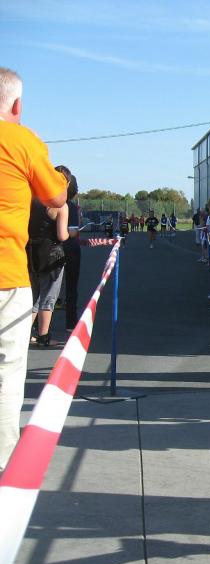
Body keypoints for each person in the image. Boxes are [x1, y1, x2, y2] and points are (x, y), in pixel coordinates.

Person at [0, 67, 67, 472]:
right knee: (7, 373)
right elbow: (56, 195)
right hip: (6, 276)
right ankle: (4, 463)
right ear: (17, 105)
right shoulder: (21, 140)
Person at [28, 197, 69, 346]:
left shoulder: (31, 201)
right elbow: (61, 235)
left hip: (31, 252)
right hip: (51, 255)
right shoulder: (60, 205)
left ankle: (25, 335)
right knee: (48, 296)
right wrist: (70, 234)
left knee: (34, 296)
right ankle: (43, 337)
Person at [54, 166, 81, 334]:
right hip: (69, 248)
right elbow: (73, 232)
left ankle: (38, 326)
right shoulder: (71, 207)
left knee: (45, 288)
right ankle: (71, 322)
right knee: (71, 286)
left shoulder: (45, 204)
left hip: (50, 248)